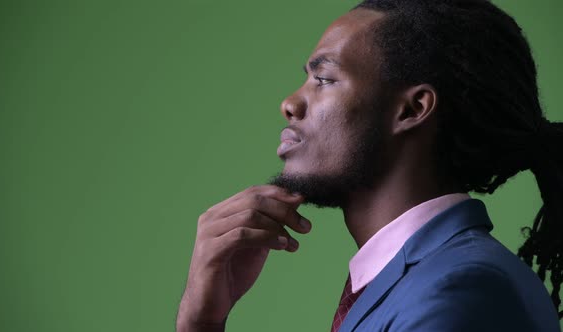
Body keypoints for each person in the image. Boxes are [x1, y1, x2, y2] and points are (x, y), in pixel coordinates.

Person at [176, 0, 563, 331]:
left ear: (411, 109)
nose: (290, 103)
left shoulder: (459, 291)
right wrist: (202, 322)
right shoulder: (420, 279)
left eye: (323, 79)